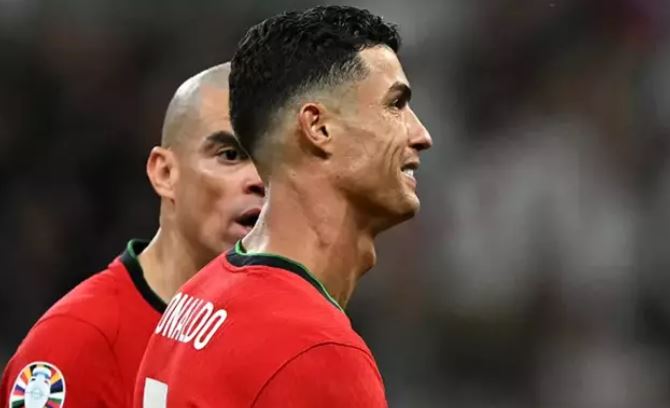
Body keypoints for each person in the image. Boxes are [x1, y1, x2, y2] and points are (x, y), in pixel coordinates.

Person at [135, 5, 432, 407]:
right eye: (395, 105)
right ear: (318, 128)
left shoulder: (192, 301)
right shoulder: (318, 352)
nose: (421, 134)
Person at [1, 62, 264, 407]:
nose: (260, 180)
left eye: (272, 161)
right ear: (165, 173)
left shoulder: (290, 337)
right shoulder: (76, 342)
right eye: (230, 155)